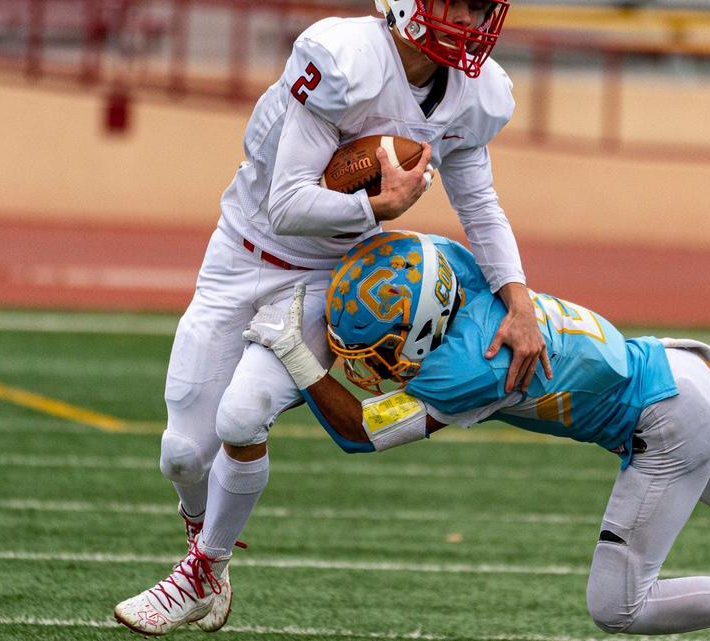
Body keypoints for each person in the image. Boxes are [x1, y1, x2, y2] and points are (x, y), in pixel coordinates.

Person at [246, 230, 710, 641]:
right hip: (673, 374)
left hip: (662, 417)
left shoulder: (466, 368)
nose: (370, 361)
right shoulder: (451, 264)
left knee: (617, 605)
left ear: (422, 324)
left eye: (382, 346)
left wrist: (292, 352)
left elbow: (358, 434)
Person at [114, 1, 551, 635]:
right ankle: (203, 536)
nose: (472, 17)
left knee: (241, 415)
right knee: (183, 455)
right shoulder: (345, 59)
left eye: (482, 5)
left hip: (330, 278)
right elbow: (287, 203)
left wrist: (520, 301)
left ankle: (202, 571)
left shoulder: (478, 95)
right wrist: (382, 206)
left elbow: (480, 203)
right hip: (241, 253)